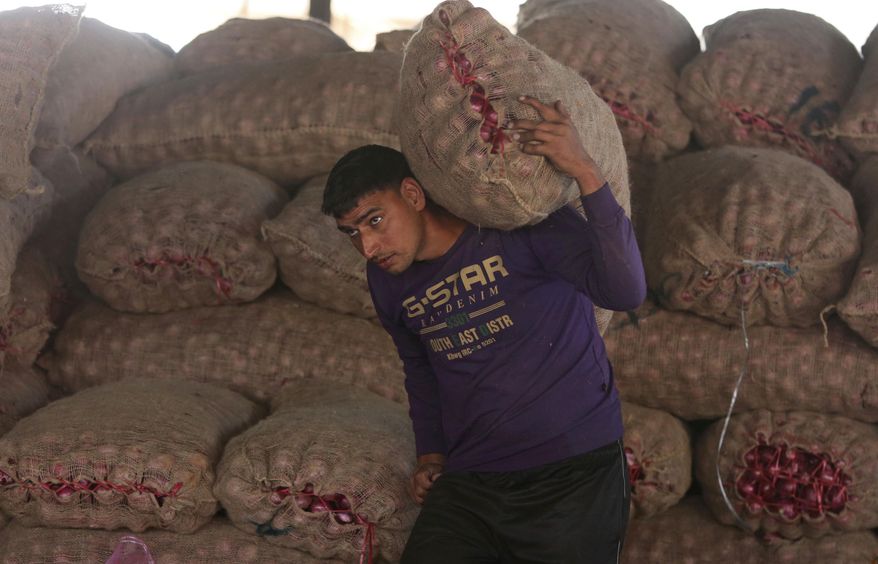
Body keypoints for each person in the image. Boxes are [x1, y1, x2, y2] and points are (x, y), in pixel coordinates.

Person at [322, 96, 646, 564]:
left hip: (574, 472)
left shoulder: (518, 225)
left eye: (375, 220)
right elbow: (420, 368)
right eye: (352, 233)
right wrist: (432, 454)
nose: (368, 246)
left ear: (413, 196)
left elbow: (625, 290)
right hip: (472, 482)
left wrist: (585, 171)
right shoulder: (387, 279)